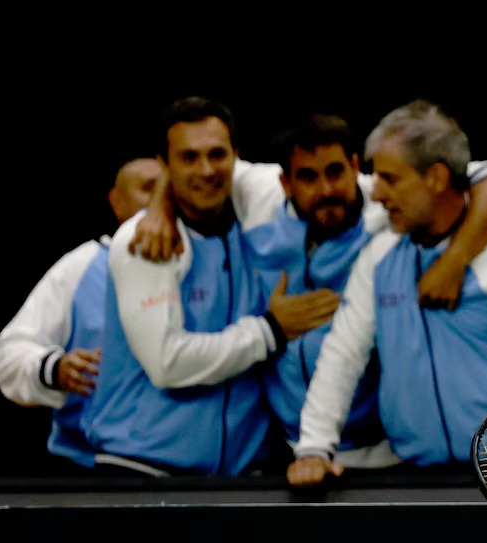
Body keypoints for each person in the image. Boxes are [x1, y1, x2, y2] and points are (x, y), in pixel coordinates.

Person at [131, 112, 487, 469]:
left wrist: (453, 262)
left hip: (393, 453)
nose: (325, 189)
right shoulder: (259, 195)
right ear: (284, 183)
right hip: (289, 450)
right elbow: (193, 169)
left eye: (336, 172)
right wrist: (158, 206)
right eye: (307, 177)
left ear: (355, 167)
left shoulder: (387, 209)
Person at [286, 99, 487, 487]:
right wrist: (314, 449)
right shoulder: (378, 256)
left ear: (436, 178)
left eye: (389, 179)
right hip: (412, 480)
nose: (377, 194)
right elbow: (342, 355)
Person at [83, 96, 324, 476]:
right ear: (165, 166)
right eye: (189, 158)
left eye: (217, 154)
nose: (207, 170)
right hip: (142, 470)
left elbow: (356, 187)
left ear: (236, 157)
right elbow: (167, 363)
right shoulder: (145, 240)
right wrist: (271, 330)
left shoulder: (255, 218)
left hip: (241, 477)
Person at [0, 157, 163, 473]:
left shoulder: (211, 261)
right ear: (116, 201)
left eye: (167, 189)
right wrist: (55, 369)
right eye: (147, 189)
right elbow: (10, 355)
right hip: (94, 469)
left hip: (204, 476)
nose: (158, 201)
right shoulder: (83, 266)